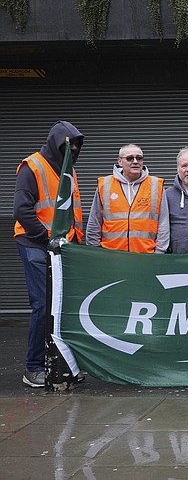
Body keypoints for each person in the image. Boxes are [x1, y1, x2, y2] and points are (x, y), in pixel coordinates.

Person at [13, 121, 84, 388]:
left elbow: (72, 210)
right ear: (58, 144)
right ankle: (33, 367)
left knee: (62, 308)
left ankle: (61, 365)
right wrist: (47, 238)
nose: (75, 152)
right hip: (35, 244)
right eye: (70, 146)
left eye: (77, 147)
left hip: (61, 248)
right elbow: (22, 210)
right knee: (43, 305)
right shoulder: (32, 167)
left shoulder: (68, 170)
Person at [86, 144, 169, 253]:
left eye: (139, 158)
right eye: (130, 158)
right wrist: (96, 253)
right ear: (120, 161)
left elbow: (163, 224)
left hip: (146, 256)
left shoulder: (155, 186)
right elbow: (94, 223)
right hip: (111, 257)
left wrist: (159, 253)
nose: (135, 161)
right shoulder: (105, 185)